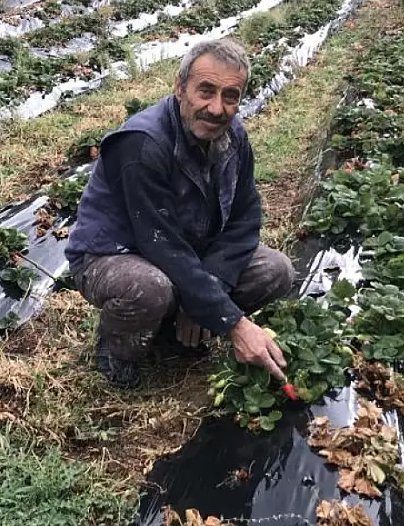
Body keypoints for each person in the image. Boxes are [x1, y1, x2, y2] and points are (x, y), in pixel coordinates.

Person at [65, 38, 295, 388]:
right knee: (150, 287)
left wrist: (210, 288)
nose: (216, 108)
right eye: (206, 91)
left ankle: (175, 333)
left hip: (185, 249)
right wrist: (233, 322)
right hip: (116, 253)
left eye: (230, 96)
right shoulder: (143, 143)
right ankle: (116, 353)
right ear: (179, 88)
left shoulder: (234, 137)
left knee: (276, 270)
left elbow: (245, 220)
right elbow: (160, 244)